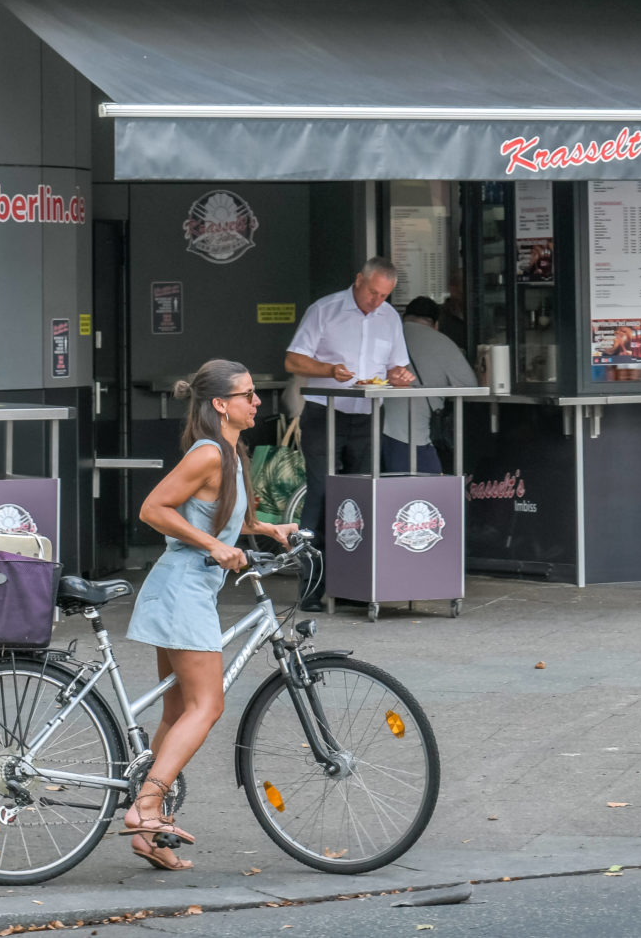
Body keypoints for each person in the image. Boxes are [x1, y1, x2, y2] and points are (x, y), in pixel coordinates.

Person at [120, 359, 298, 869]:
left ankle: (147, 832)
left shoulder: (230, 453)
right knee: (208, 706)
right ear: (220, 404)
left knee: (178, 712)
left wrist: (266, 530)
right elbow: (154, 509)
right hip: (182, 593)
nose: (257, 401)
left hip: (185, 591)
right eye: (247, 394)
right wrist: (213, 548)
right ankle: (147, 807)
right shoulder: (207, 454)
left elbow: (219, 517)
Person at [285, 258, 417, 611]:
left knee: (361, 497)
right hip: (324, 412)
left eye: (384, 295)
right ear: (358, 280)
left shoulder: (389, 317)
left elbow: (395, 366)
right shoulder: (324, 310)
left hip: (367, 414)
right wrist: (328, 370)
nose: (377, 301)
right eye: (373, 292)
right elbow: (294, 361)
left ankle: (354, 585)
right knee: (323, 494)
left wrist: (401, 376)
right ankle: (312, 588)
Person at [399, 295, 478, 472]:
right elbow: (471, 387)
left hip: (373, 426)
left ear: (404, 316)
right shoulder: (442, 342)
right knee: (425, 491)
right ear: (436, 324)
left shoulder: (390, 334)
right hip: (416, 434)